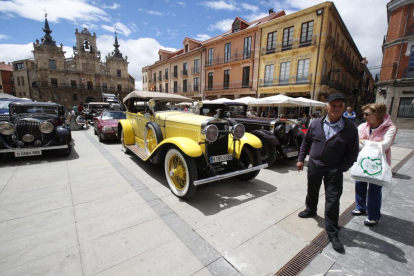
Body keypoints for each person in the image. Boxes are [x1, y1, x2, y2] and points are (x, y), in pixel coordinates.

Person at [296, 93, 359, 252]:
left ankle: (332, 232)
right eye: (333, 105)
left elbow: (352, 153)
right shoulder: (316, 123)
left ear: (344, 108)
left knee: (332, 200)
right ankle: (311, 210)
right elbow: (306, 142)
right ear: (326, 106)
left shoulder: (350, 128)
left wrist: (342, 168)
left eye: (340, 106)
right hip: (314, 165)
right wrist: (301, 158)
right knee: (312, 190)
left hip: (334, 169)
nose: (336, 108)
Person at [352, 103, 397, 226]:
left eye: (367, 114)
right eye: (364, 114)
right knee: (360, 184)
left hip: (378, 163)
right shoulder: (362, 126)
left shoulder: (390, 128)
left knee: (375, 189)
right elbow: (355, 142)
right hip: (362, 162)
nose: (364, 116)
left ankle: (374, 216)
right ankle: (361, 207)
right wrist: (375, 144)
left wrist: (364, 141)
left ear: (377, 115)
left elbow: (385, 145)